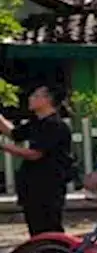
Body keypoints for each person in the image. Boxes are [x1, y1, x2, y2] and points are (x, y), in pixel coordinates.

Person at [0, 86, 73, 236]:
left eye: (35, 95)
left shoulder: (55, 125)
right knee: (36, 230)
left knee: (50, 229)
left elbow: (35, 154)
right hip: (32, 185)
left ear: (47, 100)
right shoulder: (36, 122)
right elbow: (15, 134)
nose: (30, 98)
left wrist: (4, 147)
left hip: (49, 185)